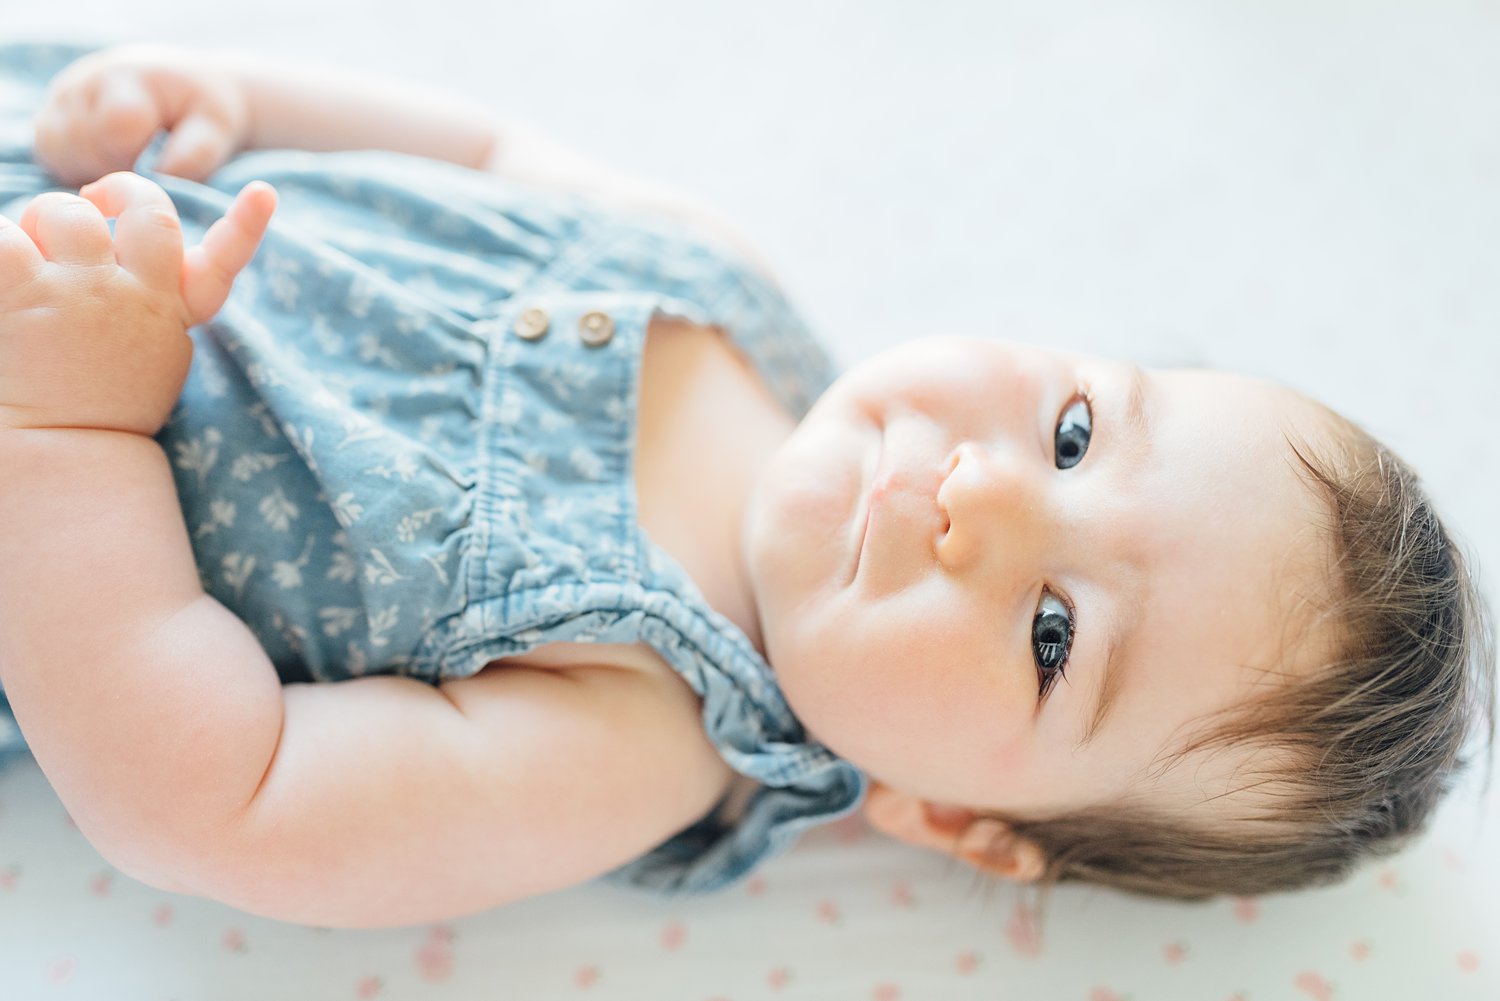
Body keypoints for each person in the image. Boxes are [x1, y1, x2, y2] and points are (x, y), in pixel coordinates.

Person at [0, 40, 1491, 931]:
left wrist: (67, 430)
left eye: (1054, 633)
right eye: (1080, 435)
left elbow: (213, 797)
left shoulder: (633, 732)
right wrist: (221, 96)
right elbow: (483, 152)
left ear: (958, 818)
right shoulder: (734, 293)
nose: (990, 496)